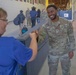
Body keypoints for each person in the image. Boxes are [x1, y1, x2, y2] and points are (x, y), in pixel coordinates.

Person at [0, 8, 38, 75]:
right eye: (4, 20)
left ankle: (20, 32)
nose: (6, 23)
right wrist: (34, 38)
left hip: (21, 22)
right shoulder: (10, 44)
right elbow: (31, 56)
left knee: (20, 27)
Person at [39, 5, 75, 75]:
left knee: (66, 71)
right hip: (53, 53)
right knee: (52, 72)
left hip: (65, 52)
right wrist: (35, 36)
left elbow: (71, 37)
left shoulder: (66, 23)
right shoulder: (45, 25)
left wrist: (71, 49)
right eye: (48, 12)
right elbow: (41, 39)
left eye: (52, 11)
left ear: (56, 11)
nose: (50, 14)